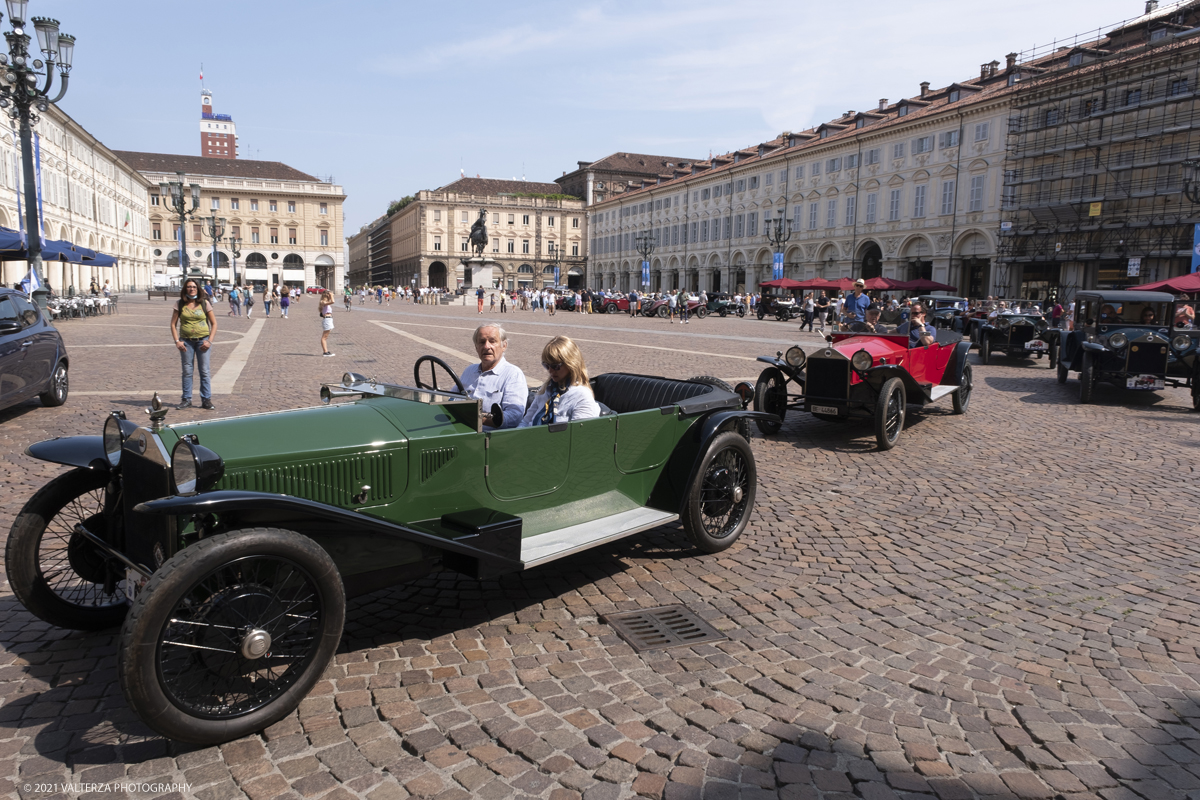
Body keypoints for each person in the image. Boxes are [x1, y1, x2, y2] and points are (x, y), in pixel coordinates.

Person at [519, 336, 600, 426]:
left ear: (571, 364)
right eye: (546, 365)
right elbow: (525, 422)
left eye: (555, 366)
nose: (550, 370)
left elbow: (579, 434)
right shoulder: (546, 389)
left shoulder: (581, 396)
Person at [462, 324, 528, 429]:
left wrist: (479, 418)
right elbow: (452, 398)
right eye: (482, 342)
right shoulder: (469, 371)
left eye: (492, 341)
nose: (486, 346)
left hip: (490, 438)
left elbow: (515, 416)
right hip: (460, 430)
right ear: (476, 347)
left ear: (504, 346)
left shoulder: (513, 374)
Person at [169, 279, 218, 411]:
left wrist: (209, 341)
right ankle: (186, 399)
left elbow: (214, 323)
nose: (192, 289)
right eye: (189, 287)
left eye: (194, 287)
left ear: (198, 289)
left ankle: (206, 399)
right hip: (186, 342)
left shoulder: (204, 303)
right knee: (187, 371)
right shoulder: (179, 304)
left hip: (203, 341)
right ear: (185, 289)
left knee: (205, 371)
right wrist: (177, 341)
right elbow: (173, 324)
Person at [319, 290, 335, 356]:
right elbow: (333, 301)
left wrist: (331, 295)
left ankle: (326, 351)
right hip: (327, 320)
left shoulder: (326, 302)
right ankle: (325, 352)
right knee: (324, 337)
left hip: (329, 319)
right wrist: (331, 295)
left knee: (325, 337)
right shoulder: (323, 302)